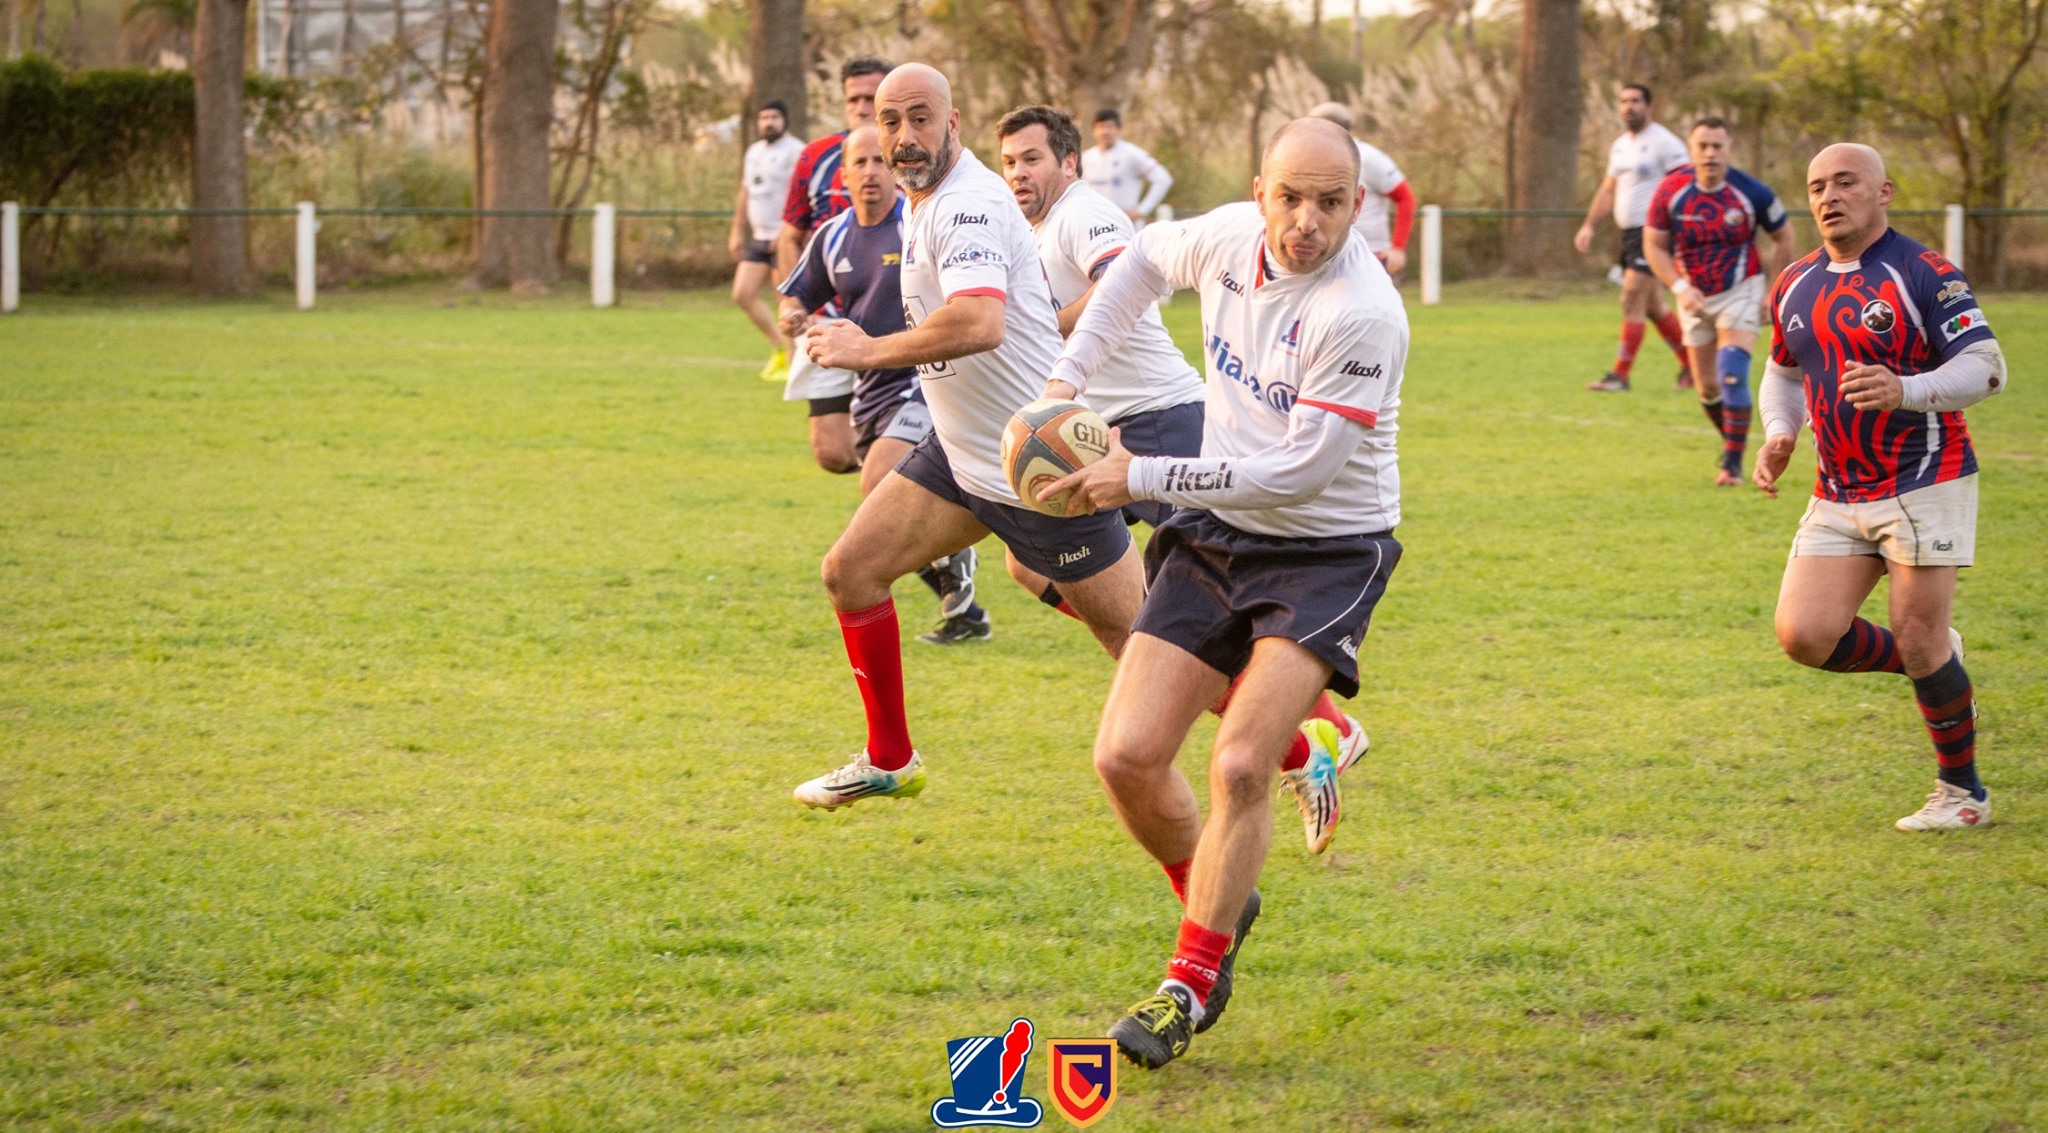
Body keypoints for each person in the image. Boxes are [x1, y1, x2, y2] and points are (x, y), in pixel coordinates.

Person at [1039, 117, 1407, 1068]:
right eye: (1290, 197)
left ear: (1357, 206)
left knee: (1243, 762)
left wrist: (1143, 475)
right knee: (1124, 757)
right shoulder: (1222, 240)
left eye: (1330, 203)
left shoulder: (1363, 312)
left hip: (1325, 550)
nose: (1307, 221)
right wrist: (1064, 380)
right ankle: (1223, 898)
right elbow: (1137, 269)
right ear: (1260, 191)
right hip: (1215, 534)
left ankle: (1188, 983)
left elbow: (1297, 476)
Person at [997, 103, 1369, 854]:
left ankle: (1316, 731)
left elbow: (1125, 275)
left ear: (1070, 162)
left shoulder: (1082, 215)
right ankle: (1303, 738)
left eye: (1033, 159)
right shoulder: (1036, 232)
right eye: (1009, 162)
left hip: (1163, 420)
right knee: (1039, 569)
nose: (1020, 175)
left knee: (1161, 612)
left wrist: (1049, 351)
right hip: (1102, 430)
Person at [788, 63, 1149, 810]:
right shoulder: (920, 199)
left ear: (953, 124)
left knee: (1148, 651)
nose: (906, 137)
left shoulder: (968, 205)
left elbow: (979, 322)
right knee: (850, 571)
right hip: (960, 458)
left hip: (1038, 468)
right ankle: (891, 757)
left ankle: (1307, 740)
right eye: (891, 122)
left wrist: (868, 348)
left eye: (922, 119)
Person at [1753, 142, 2007, 831]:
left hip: (1924, 478)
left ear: (1883, 191)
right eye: (1816, 187)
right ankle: (1937, 662)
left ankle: (1963, 793)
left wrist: (1906, 389)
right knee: (1804, 634)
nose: (1828, 196)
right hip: (1837, 488)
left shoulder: (1925, 272)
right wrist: (1780, 430)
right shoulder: (1797, 281)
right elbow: (1783, 371)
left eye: (1845, 182)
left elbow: (1987, 367)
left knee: (1917, 632)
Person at [778, 127, 991, 646]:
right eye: (860, 162)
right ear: (844, 174)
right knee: (832, 454)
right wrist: (791, 314)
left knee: (877, 479)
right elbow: (798, 293)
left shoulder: (916, 227)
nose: (871, 171)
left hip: (924, 378)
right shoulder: (832, 235)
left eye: (880, 161)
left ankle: (948, 531)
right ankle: (955, 577)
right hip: (869, 380)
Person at [1643, 116, 1794, 486]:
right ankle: (1732, 443)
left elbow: (1785, 239)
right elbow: (1654, 247)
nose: (1710, 153)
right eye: (1703, 146)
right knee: (1707, 388)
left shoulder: (1751, 192)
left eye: (1717, 146)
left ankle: (1732, 465)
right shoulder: (1670, 191)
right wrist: (1679, 288)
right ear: (1691, 149)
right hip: (1692, 294)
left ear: (1729, 149)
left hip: (1740, 290)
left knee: (1731, 372)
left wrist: (1771, 292)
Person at [774, 57, 891, 477]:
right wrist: (793, 305)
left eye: (871, 98)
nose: (862, 107)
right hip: (827, 323)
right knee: (832, 452)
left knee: (889, 456)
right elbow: (790, 233)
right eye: (853, 99)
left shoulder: (911, 156)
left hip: (891, 326)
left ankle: (916, 515)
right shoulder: (816, 157)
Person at [1575, 83, 1691, 392]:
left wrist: (1678, 227)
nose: (1629, 107)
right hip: (1627, 234)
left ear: (1648, 105)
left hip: (1653, 233)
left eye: (1635, 101)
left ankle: (1620, 375)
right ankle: (1692, 365)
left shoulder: (1665, 142)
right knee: (1652, 305)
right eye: (1624, 101)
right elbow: (1609, 188)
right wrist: (1589, 224)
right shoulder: (1620, 146)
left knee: (1630, 296)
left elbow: (1686, 184)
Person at [731, 100, 806, 382]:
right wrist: (737, 229)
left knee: (784, 301)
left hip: (783, 238)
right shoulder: (753, 153)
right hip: (759, 237)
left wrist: (787, 231)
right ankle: (778, 349)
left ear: (784, 120)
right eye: (764, 118)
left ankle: (792, 360)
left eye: (774, 117)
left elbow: (799, 194)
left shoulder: (796, 151)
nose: (768, 123)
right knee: (742, 294)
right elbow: (745, 191)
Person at [1306, 102, 1417, 275]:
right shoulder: (1314, 160)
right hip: (1331, 256)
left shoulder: (1367, 158)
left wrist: (1397, 248)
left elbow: (1405, 198)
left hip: (1371, 257)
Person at [1081, 108, 1174, 224]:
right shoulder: (1086, 157)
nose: (1105, 132)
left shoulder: (1132, 154)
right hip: (1096, 223)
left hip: (1127, 224)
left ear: (1118, 129)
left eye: (1110, 127)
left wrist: (1142, 210)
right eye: (1101, 127)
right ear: (1094, 131)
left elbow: (1163, 179)